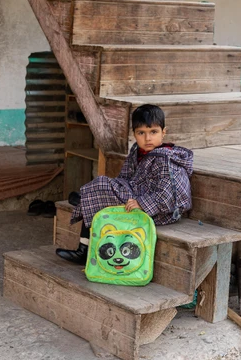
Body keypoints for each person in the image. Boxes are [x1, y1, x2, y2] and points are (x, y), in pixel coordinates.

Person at [56, 104, 193, 265]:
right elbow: (126, 177)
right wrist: (117, 188)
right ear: (134, 134)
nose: (147, 138)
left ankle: (84, 249)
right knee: (102, 184)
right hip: (137, 197)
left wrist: (141, 203)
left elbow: (167, 196)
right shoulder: (138, 151)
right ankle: (85, 241)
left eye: (153, 132)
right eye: (141, 133)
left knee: (99, 193)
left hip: (160, 211)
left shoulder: (166, 160)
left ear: (163, 132)